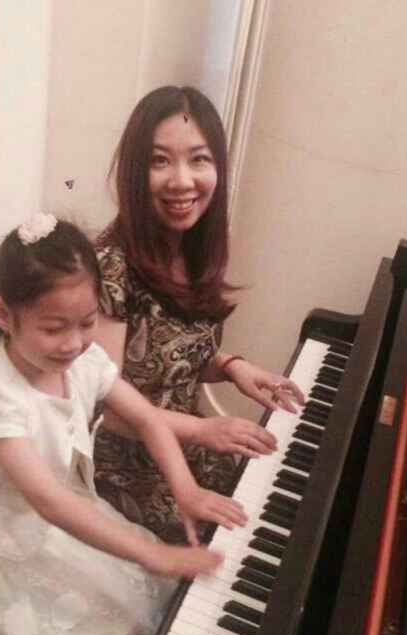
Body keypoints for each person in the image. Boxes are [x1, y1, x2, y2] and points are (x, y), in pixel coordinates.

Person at [0, 213, 255, 635]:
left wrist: (187, 490)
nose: (73, 343)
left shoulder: (85, 360)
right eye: (53, 328)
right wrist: (150, 554)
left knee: (138, 600)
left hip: (67, 509)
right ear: (4, 315)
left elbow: (146, 418)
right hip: (8, 537)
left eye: (87, 323)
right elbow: (48, 501)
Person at [94, 85, 304, 544]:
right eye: (160, 161)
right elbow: (101, 404)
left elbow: (170, 357)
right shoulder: (108, 268)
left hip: (185, 445)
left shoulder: (191, 247)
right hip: (124, 469)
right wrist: (204, 430)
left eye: (199, 160)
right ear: (134, 170)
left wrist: (232, 367)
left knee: (277, 508)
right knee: (231, 542)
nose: (182, 181)